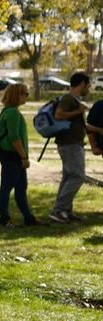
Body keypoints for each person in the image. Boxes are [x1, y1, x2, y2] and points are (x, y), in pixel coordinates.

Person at [0, 82, 40, 227]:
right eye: (24, 93)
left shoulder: (8, 111)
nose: (27, 96)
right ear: (16, 95)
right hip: (13, 156)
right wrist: (24, 157)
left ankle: (29, 218)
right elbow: (14, 138)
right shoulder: (12, 113)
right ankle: (4, 219)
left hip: (15, 156)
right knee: (6, 187)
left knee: (21, 188)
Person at [50, 72, 91, 224]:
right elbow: (59, 115)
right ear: (82, 84)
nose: (89, 87)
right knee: (78, 176)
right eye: (88, 84)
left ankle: (65, 211)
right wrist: (78, 111)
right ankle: (60, 210)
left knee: (68, 176)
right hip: (70, 144)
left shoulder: (75, 99)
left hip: (73, 143)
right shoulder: (68, 98)